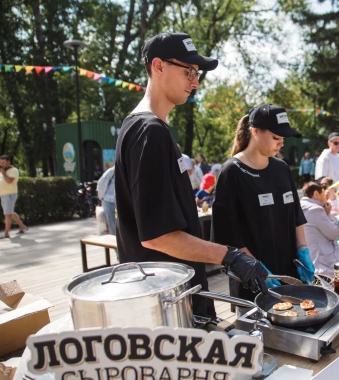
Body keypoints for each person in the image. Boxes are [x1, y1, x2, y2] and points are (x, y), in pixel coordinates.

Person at [115, 32, 269, 318]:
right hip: (168, 308)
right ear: (158, 66)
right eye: (188, 71)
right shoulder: (150, 131)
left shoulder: (145, 128)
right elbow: (156, 236)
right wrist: (229, 255)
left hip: (169, 299)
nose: (195, 82)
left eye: (196, 73)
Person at [212, 104, 314, 302]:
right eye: (276, 138)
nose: (281, 143)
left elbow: (295, 215)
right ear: (255, 131)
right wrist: (254, 267)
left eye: (283, 139)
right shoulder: (231, 172)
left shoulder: (282, 168)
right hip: (252, 280)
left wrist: (303, 250)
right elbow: (227, 234)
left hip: (289, 275)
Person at [300, 182, 339, 278]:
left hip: (306, 259)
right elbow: (334, 233)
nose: (325, 198)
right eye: (323, 195)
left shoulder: (298, 206)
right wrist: (329, 215)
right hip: (323, 264)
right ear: (316, 194)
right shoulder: (316, 210)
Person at [0, 155, 28, 239]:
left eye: (3, 162)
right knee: (10, 212)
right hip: (3, 194)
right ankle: (22, 226)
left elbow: (9, 181)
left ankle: (6, 233)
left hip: (9, 194)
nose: (1, 164)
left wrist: (3, 174)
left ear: (8, 162)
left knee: (7, 214)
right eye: (0, 162)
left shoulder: (13, 170)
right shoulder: (3, 170)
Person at [96, 166, 116, 235]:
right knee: (112, 225)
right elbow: (101, 185)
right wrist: (101, 198)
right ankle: (114, 243)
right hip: (109, 202)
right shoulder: (111, 171)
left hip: (116, 202)